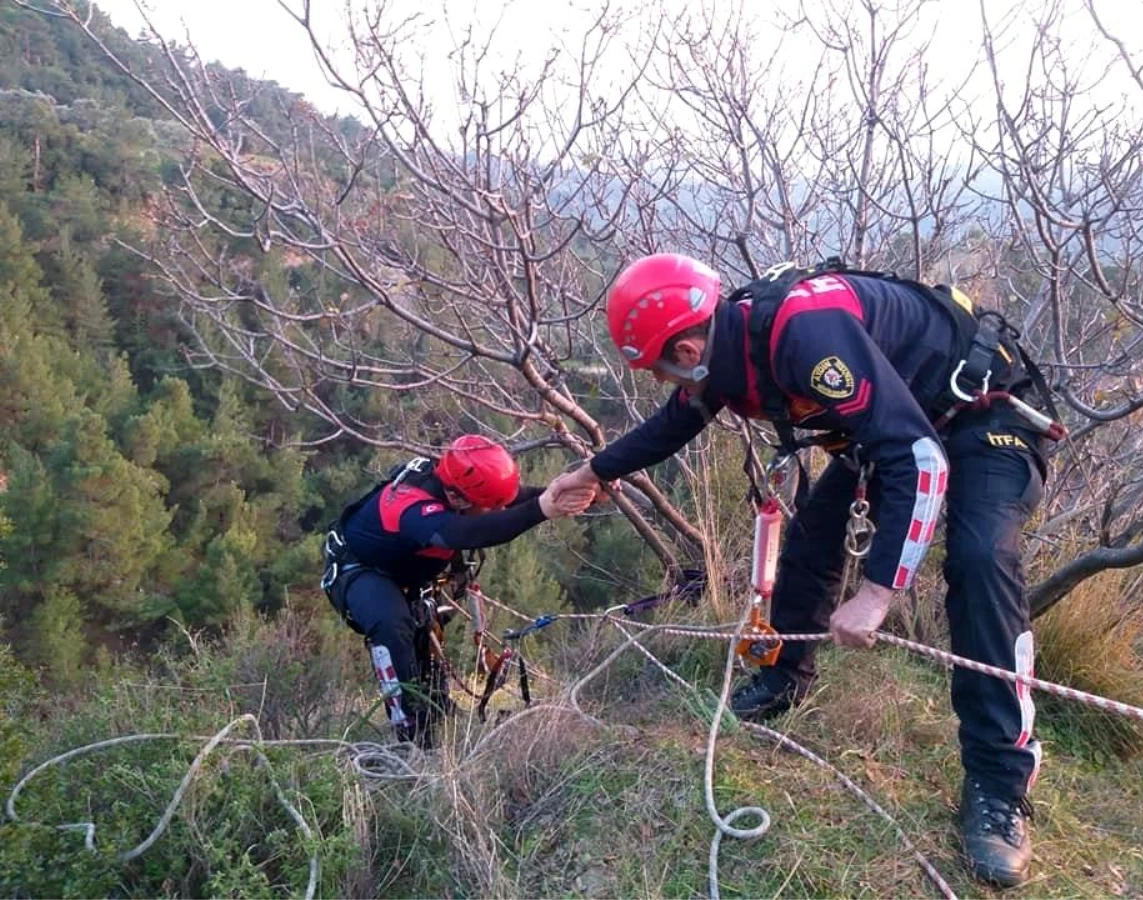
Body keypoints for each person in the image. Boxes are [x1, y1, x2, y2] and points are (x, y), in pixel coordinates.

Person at [553, 253, 1058, 887]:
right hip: (899, 422)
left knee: (982, 559)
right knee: (813, 539)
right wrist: (590, 474)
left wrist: (877, 592)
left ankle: (999, 784)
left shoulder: (803, 335)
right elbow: (672, 424)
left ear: (686, 348)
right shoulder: (730, 347)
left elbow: (920, 460)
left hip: (985, 416)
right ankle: (785, 676)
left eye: (659, 368)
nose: (662, 382)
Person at [321, 435, 595, 746]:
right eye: (489, 506)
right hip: (359, 569)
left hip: (405, 570)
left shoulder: (459, 485)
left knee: (426, 631)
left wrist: (568, 490)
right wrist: (542, 509)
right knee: (392, 626)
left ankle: (439, 709)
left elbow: (510, 498)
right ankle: (411, 733)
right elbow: (464, 533)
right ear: (460, 500)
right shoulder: (410, 506)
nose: (496, 510)